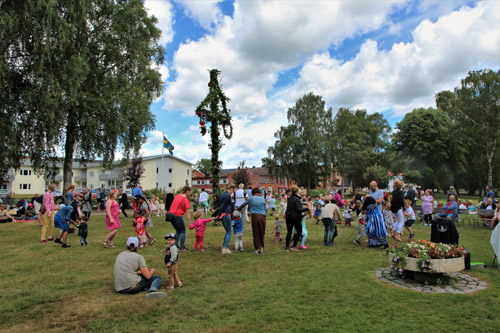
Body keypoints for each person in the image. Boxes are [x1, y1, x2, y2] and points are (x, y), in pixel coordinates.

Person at [237, 187, 267, 254]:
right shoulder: (263, 199)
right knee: (262, 232)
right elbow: (265, 208)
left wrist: (238, 209)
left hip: (255, 216)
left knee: (256, 232)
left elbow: (244, 204)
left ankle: (256, 249)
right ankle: (261, 249)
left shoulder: (251, 198)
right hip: (263, 217)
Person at [284, 185, 309, 251]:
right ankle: (294, 245)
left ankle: (287, 247)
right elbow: (298, 209)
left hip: (288, 216)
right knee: (299, 231)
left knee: (289, 232)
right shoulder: (297, 199)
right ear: (297, 191)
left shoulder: (290, 198)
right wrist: (306, 209)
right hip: (295, 217)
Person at [168, 186, 192, 251]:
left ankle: (176, 246)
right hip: (177, 216)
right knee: (183, 231)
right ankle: (182, 247)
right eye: (191, 192)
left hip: (171, 216)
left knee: (178, 231)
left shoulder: (177, 196)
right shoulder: (185, 200)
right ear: (187, 191)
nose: (191, 194)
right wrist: (189, 223)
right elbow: (188, 213)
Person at [218, 184, 235, 254]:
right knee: (229, 232)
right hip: (226, 214)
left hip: (223, 215)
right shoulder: (228, 195)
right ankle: (224, 248)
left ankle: (225, 247)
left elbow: (220, 205)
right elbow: (223, 206)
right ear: (231, 188)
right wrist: (218, 215)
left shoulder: (223, 195)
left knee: (228, 231)